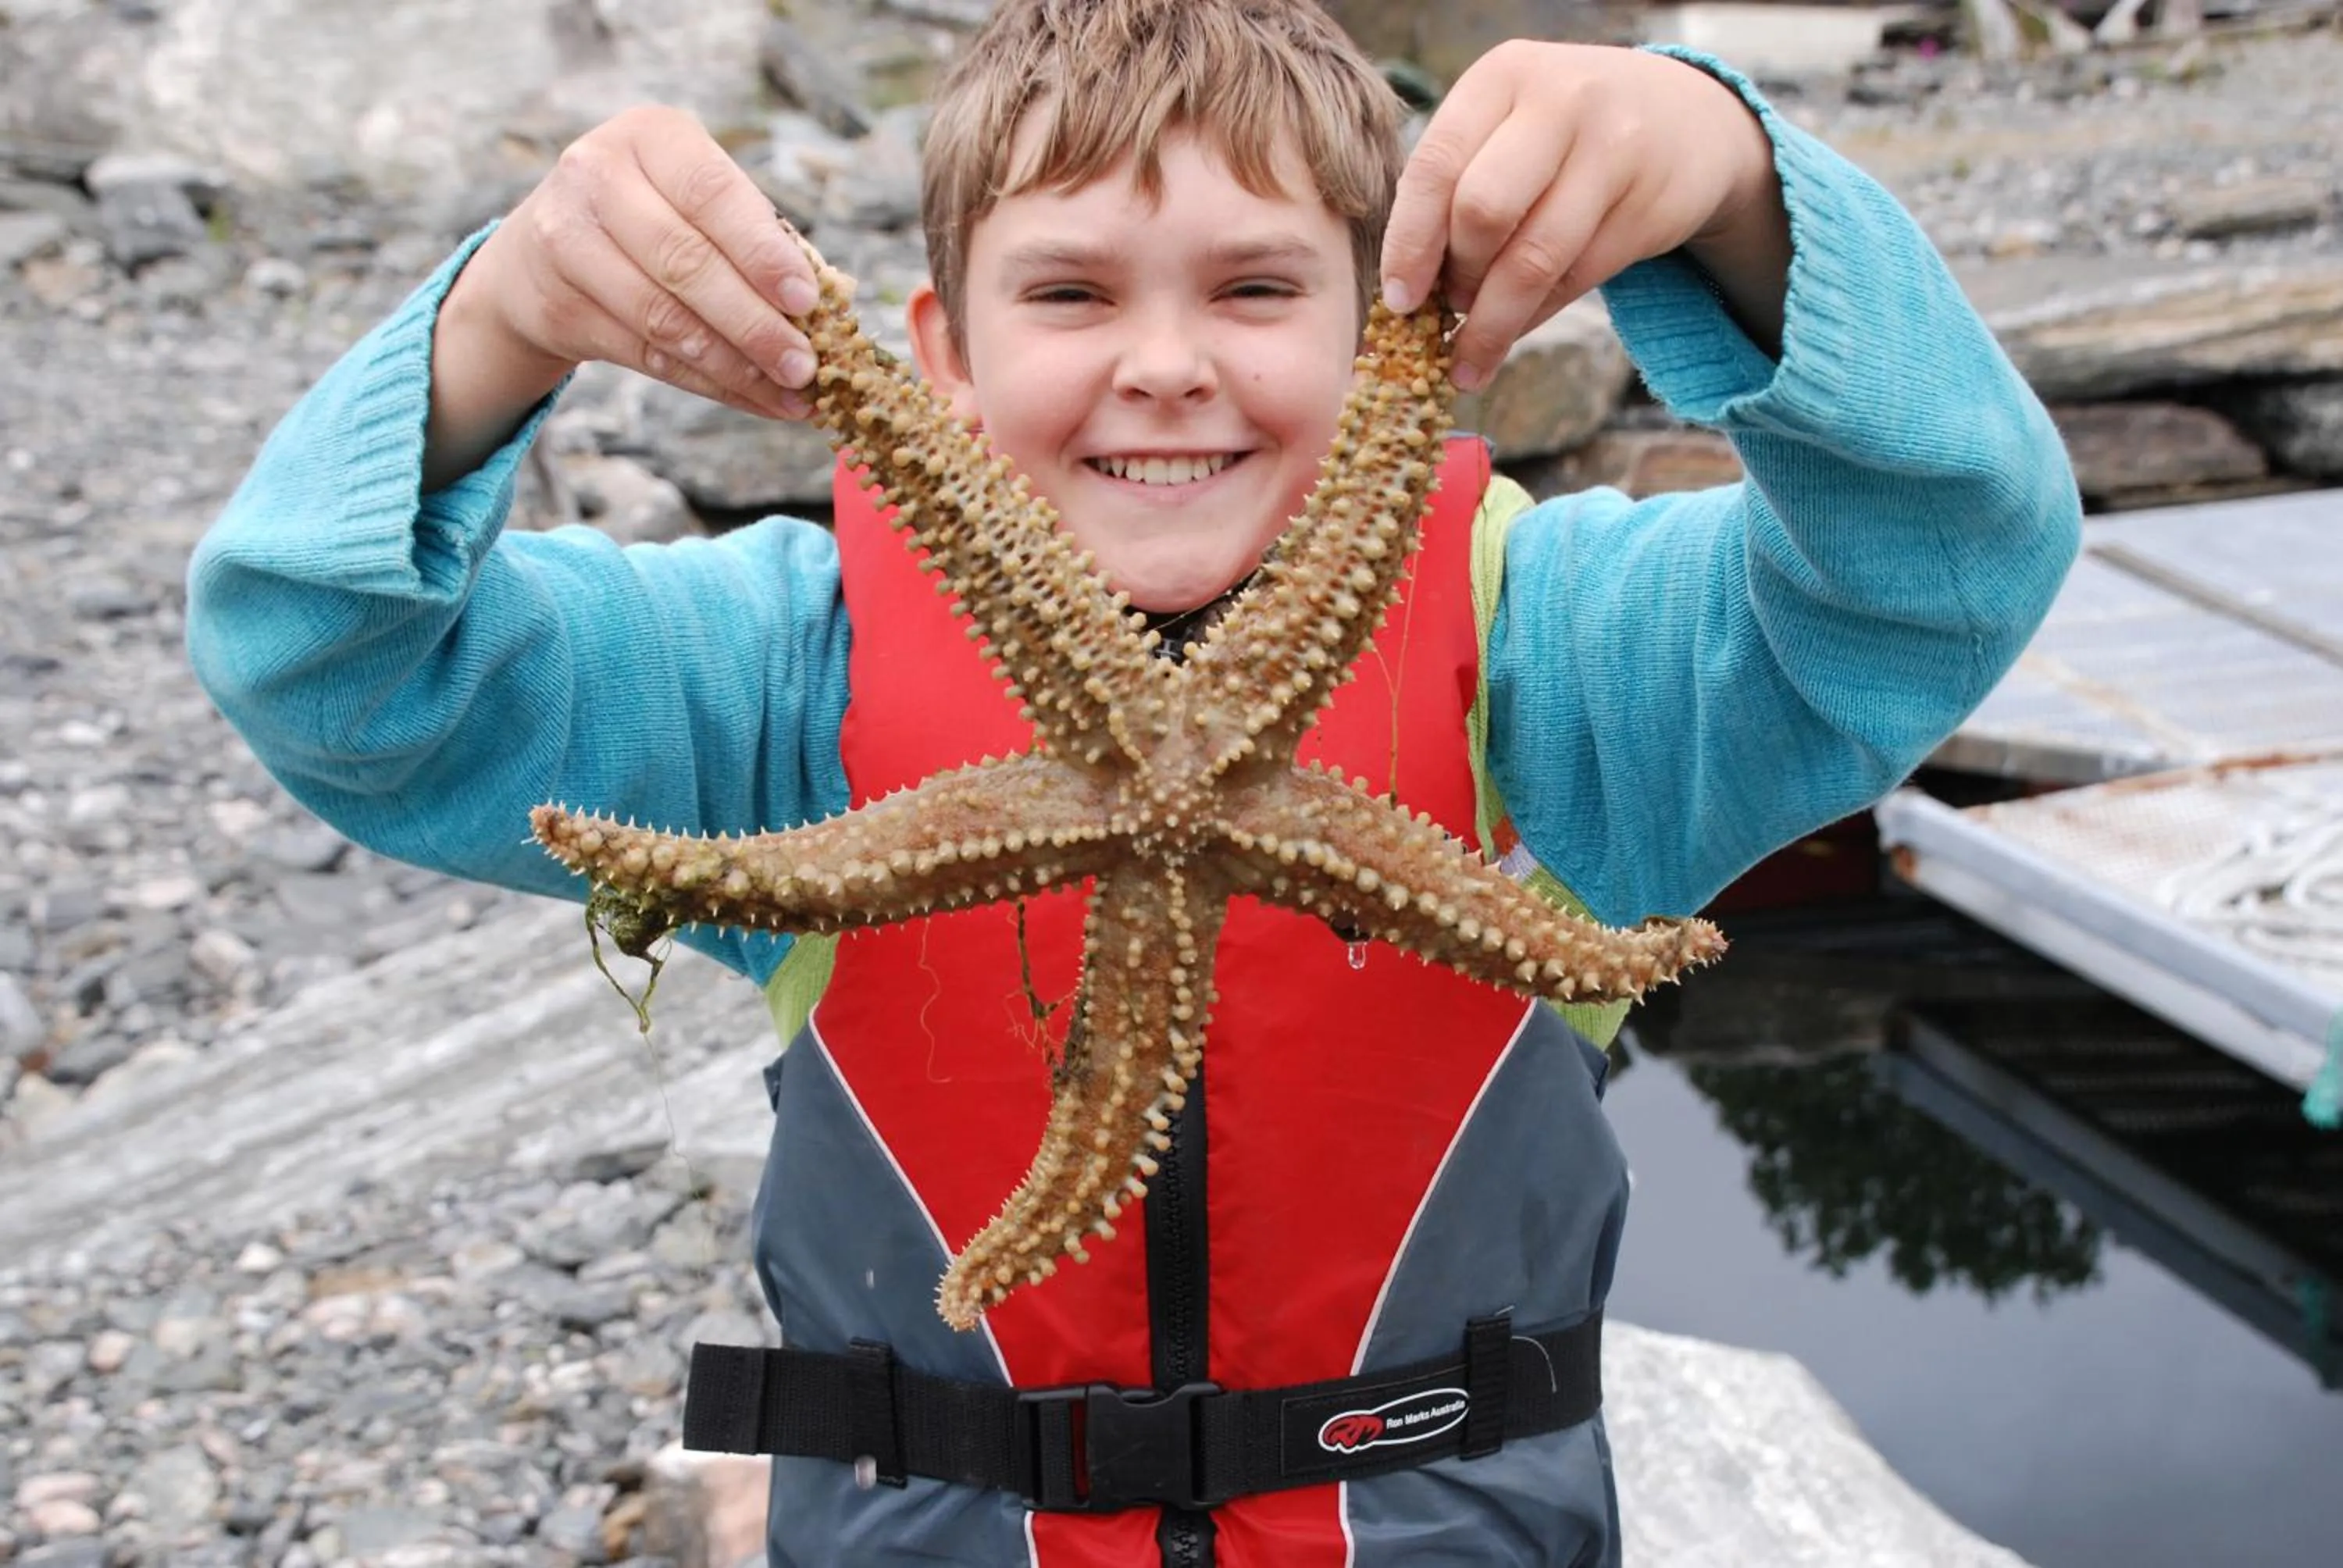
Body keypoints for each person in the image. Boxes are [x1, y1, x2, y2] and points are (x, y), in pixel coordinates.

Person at [187, 1, 2081, 1563]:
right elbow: (336, 674)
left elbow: (1948, 566)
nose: (1164, 365)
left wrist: (1739, 189)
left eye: (1258, 287)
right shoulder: (790, 674)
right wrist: (496, 324)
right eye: (1072, 294)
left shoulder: (1553, 662)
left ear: (1401, 345)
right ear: (935, 361)